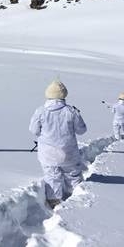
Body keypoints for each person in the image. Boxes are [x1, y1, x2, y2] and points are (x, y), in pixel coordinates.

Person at [29, 80, 87, 209]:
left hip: (48, 154)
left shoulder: (40, 111)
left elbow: (33, 130)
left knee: (52, 178)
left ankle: (54, 203)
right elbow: (82, 130)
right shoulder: (71, 111)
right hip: (68, 153)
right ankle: (76, 201)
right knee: (73, 176)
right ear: (64, 94)